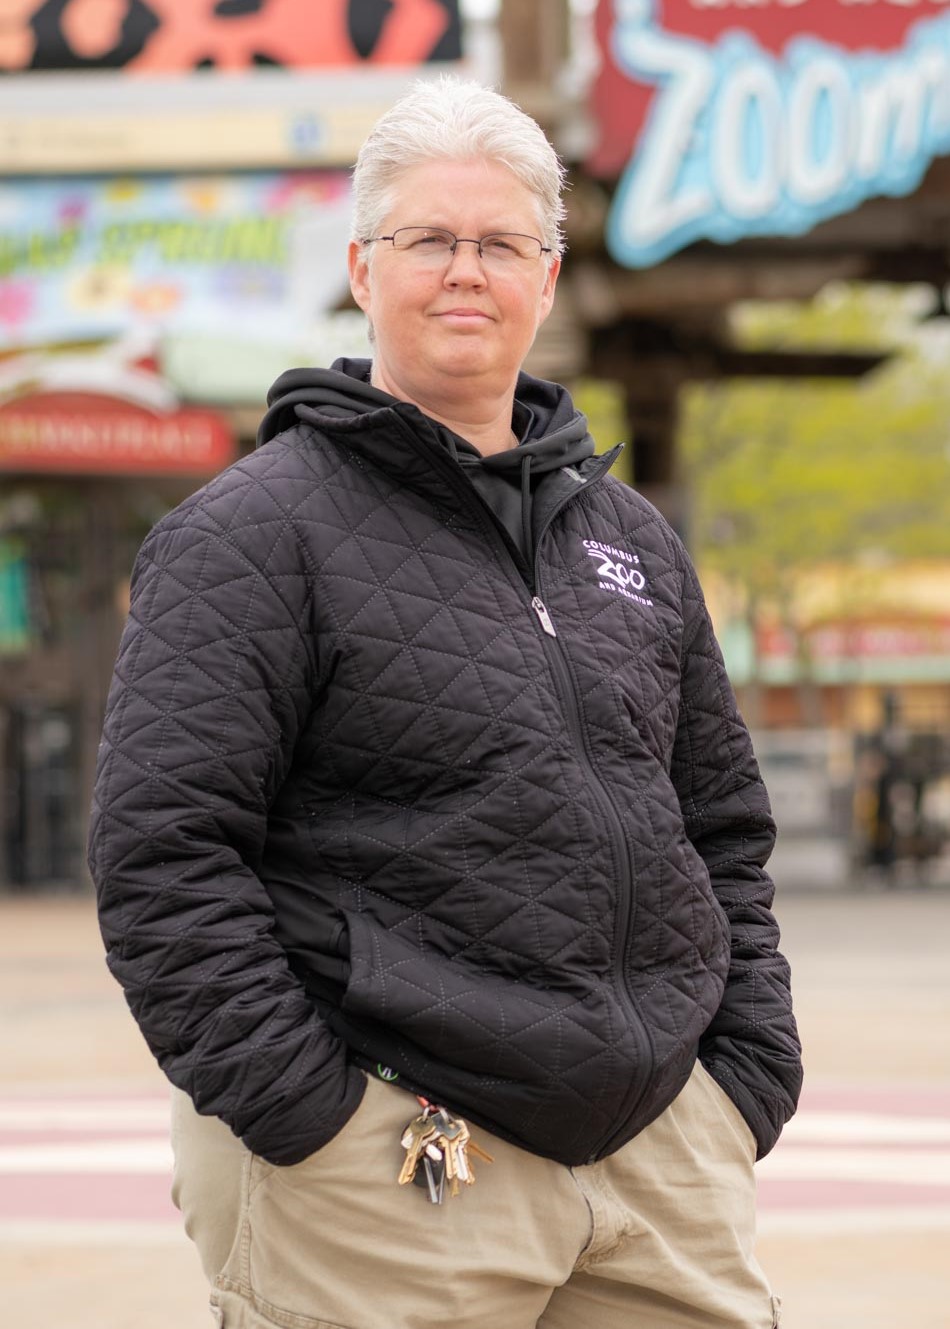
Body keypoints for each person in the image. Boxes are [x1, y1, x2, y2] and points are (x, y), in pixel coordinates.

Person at [88, 75, 801, 1329]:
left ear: (546, 272)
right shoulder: (248, 534)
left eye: (500, 243)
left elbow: (721, 827)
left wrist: (741, 1079)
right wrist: (305, 1113)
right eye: (428, 239)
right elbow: (163, 855)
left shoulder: (626, 539)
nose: (464, 270)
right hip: (386, 1164)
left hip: (659, 1162)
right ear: (363, 269)